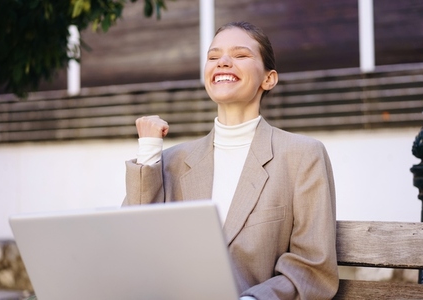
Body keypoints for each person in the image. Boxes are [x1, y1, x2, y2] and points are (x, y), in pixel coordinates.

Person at [123, 21, 339, 300]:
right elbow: (134, 247)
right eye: (213, 57)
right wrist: (149, 150)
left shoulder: (302, 156)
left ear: (268, 79)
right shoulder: (170, 161)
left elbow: (312, 269)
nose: (223, 62)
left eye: (240, 55)